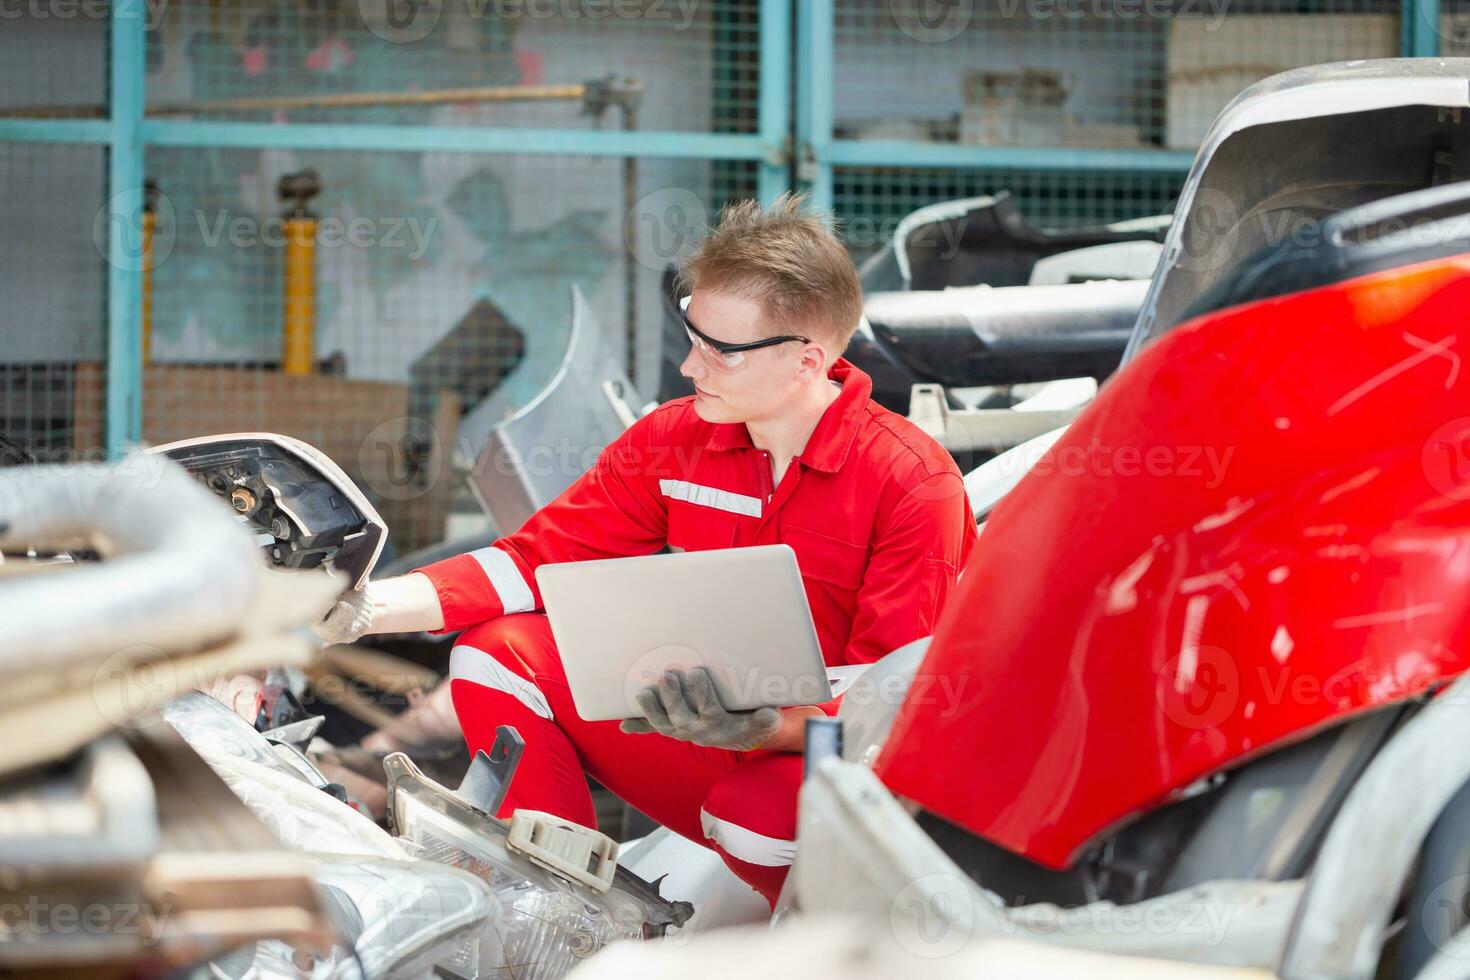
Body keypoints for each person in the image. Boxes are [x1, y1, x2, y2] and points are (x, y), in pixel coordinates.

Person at [318, 193, 977, 904]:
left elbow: (895, 702)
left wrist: (768, 726)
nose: (691, 367)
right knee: (496, 651)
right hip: (701, 736)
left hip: (827, 775)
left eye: (719, 351)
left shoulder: (914, 483)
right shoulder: (675, 439)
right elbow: (535, 560)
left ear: (806, 361)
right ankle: (564, 913)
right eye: (691, 335)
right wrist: (364, 608)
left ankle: (813, 944)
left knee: (755, 817)